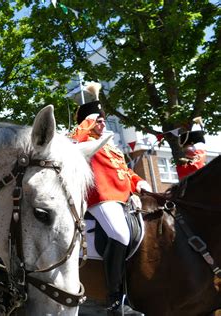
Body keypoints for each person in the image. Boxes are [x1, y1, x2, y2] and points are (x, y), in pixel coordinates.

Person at [71, 82, 150, 316]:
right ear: (86, 123)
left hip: (125, 198)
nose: (102, 122)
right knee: (119, 233)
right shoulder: (81, 142)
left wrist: (139, 183)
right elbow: (72, 142)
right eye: (97, 119)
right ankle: (115, 300)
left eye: (103, 118)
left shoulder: (112, 147)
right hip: (101, 198)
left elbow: (125, 171)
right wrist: (85, 125)